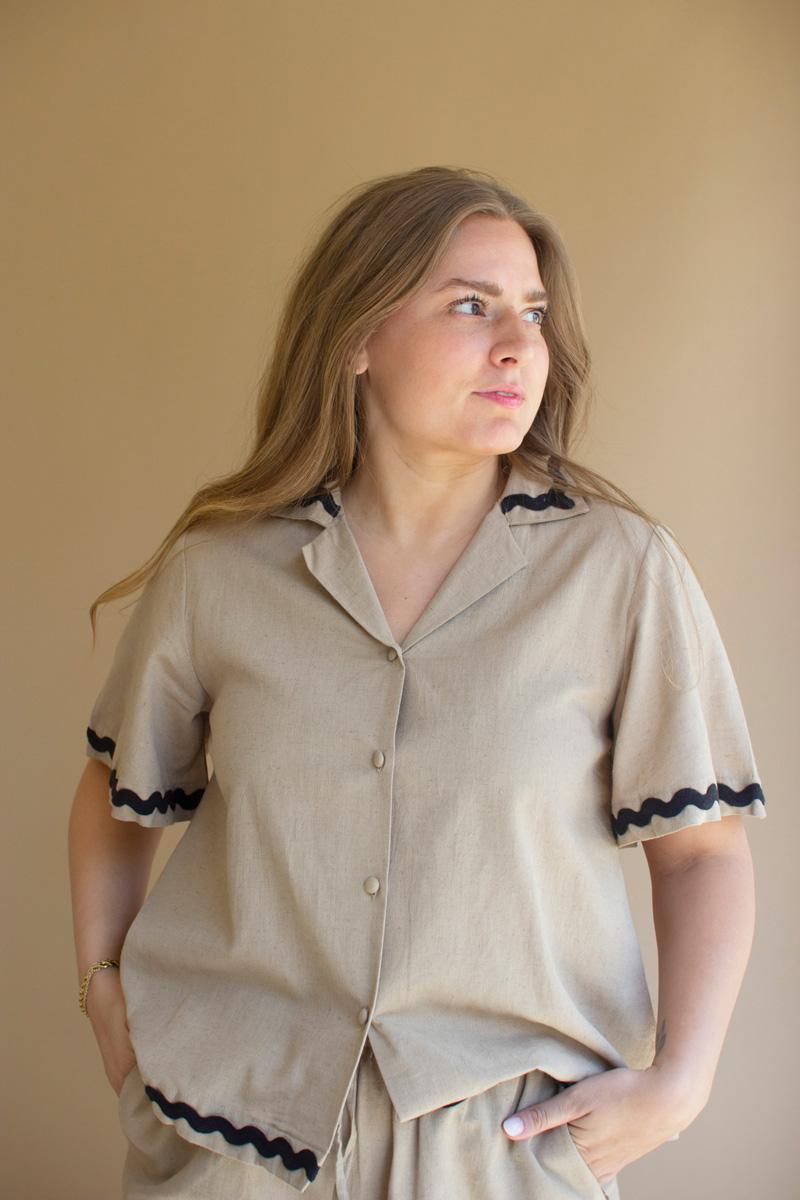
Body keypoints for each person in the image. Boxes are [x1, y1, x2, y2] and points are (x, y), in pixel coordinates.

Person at [68, 165, 767, 1200]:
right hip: (234, 1135)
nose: (518, 345)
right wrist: (103, 992)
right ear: (357, 336)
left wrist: (682, 1080)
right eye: (470, 306)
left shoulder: (619, 572)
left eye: (532, 313)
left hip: (503, 1144)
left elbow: (702, 851)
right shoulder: (219, 573)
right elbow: (116, 792)